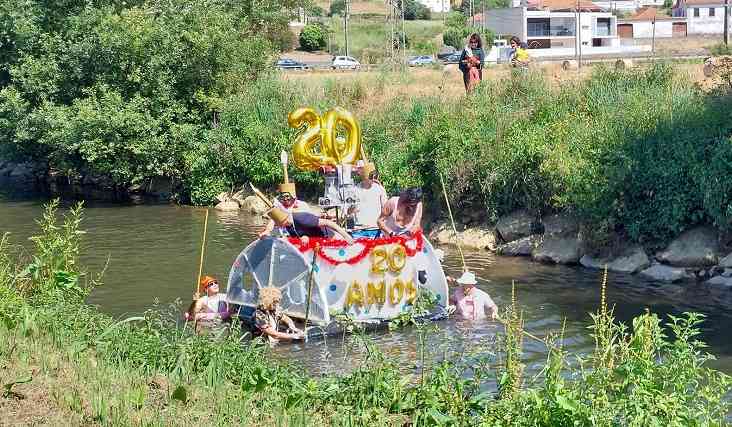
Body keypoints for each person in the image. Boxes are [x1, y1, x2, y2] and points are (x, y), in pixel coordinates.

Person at [267, 206, 355, 245]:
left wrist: (346, 236)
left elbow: (329, 223)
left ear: (285, 219)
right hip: (316, 244)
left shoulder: (301, 218)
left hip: (330, 238)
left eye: (281, 224)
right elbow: (300, 235)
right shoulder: (288, 226)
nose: (281, 227)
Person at [352, 162, 387, 235]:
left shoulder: (379, 189)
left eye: (375, 176)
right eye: (371, 176)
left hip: (376, 229)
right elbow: (349, 211)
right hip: (359, 230)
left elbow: (386, 209)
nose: (373, 179)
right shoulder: (355, 190)